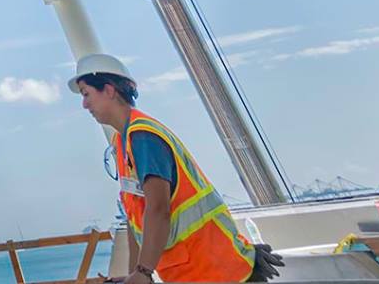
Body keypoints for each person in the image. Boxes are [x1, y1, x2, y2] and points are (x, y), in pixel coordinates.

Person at [71, 54, 280, 284]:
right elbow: (135, 220)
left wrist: (143, 272)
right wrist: (135, 274)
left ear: (109, 90)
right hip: (196, 273)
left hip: (216, 271)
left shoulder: (143, 137)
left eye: (86, 94)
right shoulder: (123, 144)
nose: (84, 104)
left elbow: (158, 209)